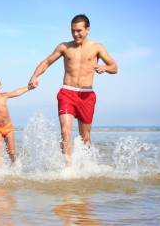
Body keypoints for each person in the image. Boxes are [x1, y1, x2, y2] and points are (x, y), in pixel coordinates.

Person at [28, 14, 118, 165]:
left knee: (85, 137)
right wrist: (34, 76)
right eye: (73, 31)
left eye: (79, 30)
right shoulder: (64, 47)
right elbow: (47, 62)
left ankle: (87, 166)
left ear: (88, 29)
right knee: (65, 131)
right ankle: (68, 167)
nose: (75, 34)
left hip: (86, 95)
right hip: (67, 92)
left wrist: (105, 68)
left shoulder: (97, 47)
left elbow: (114, 67)